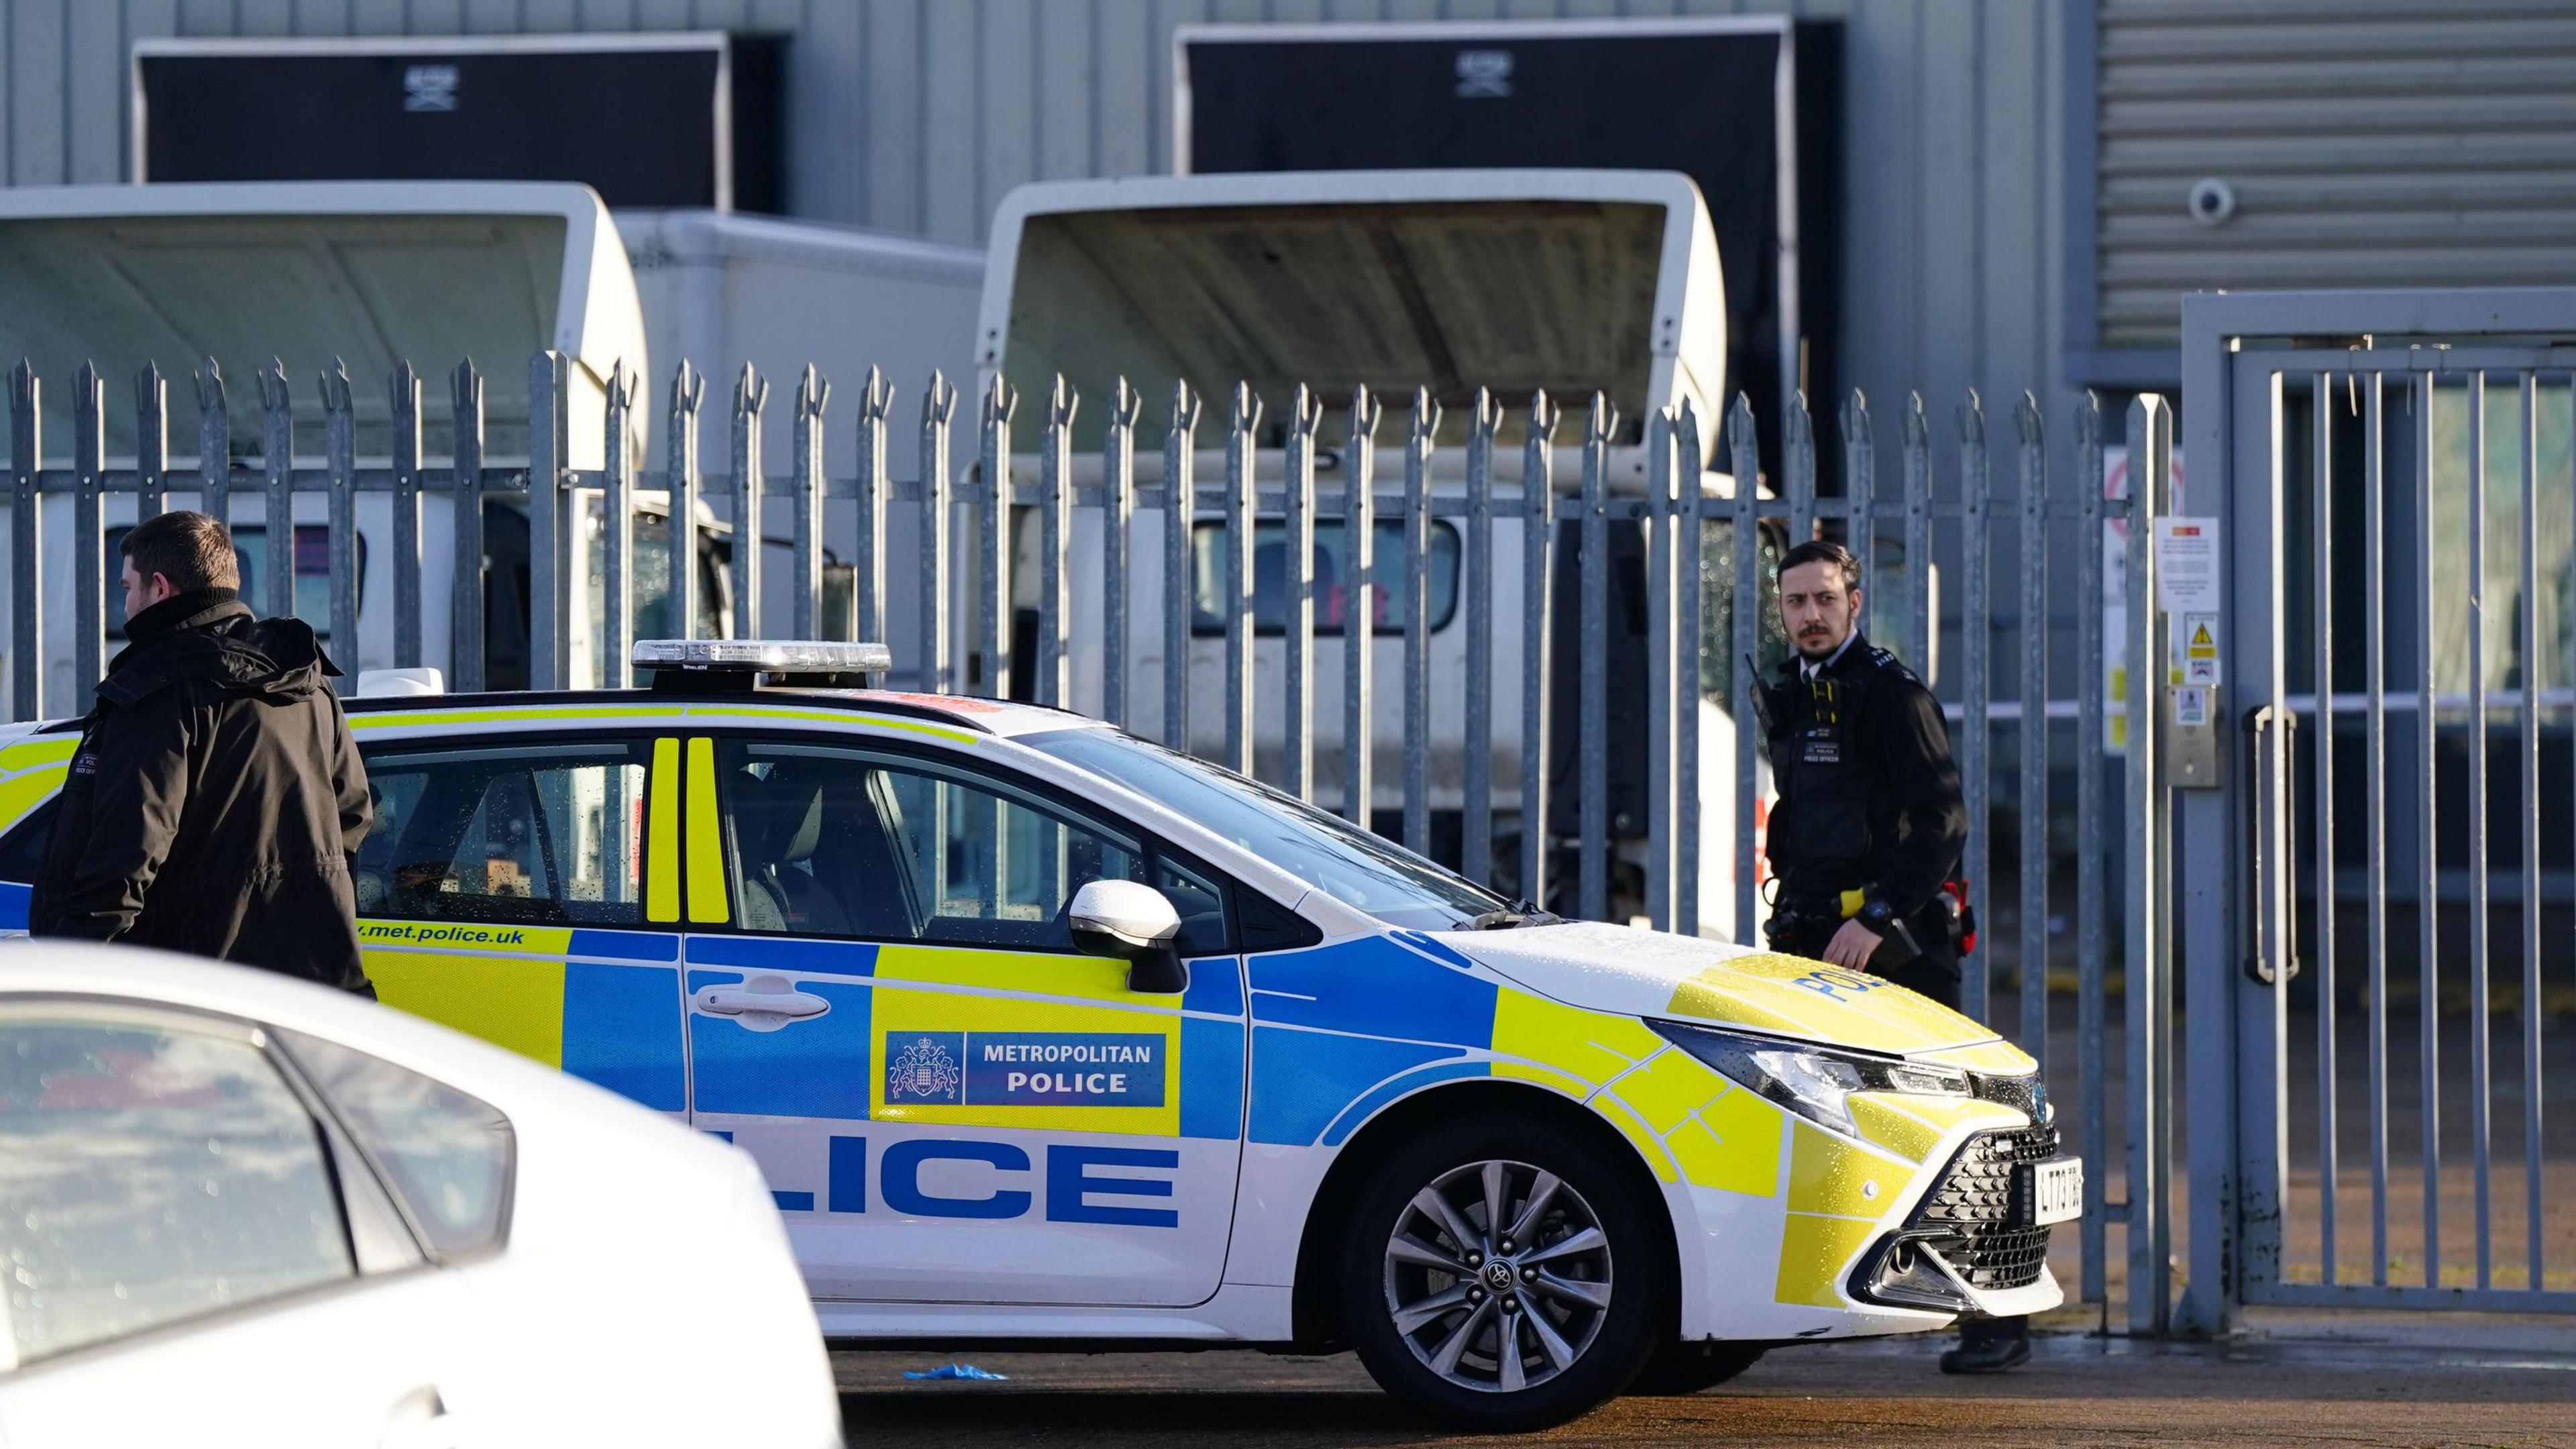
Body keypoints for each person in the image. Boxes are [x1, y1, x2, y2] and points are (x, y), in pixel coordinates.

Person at [1752, 538, 2028, 1375]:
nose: (1809, 615)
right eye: (1795, 602)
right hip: (1813, 943)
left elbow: (1943, 822)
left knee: (1949, 1123)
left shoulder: (1892, 694)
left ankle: (1996, 1316)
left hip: (1895, 948)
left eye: (1824, 600)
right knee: (1822, 1120)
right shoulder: (1796, 692)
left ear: (1853, 603)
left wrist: (1876, 919)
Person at [29, 510, 374, 994]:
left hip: (197, 992)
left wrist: (73, 969)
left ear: (161, 589)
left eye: (127, 587)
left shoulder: (160, 690)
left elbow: (129, 845)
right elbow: (353, 815)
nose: (125, 604)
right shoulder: (307, 684)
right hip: (316, 984)